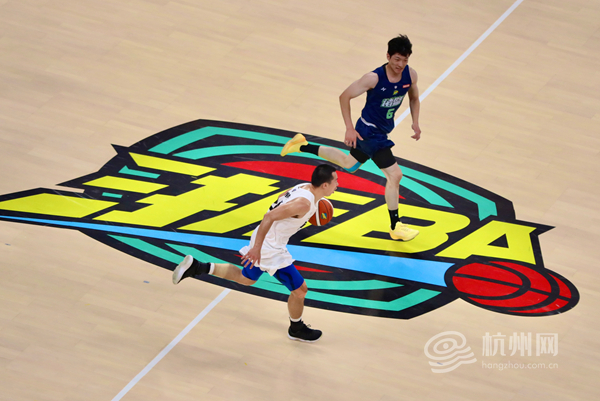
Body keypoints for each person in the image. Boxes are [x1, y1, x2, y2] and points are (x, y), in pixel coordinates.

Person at [172, 164, 338, 343]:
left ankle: (197, 267)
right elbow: (269, 216)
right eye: (335, 181)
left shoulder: (304, 187)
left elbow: (280, 198)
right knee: (300, 291)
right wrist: (257, 248)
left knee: (246, 278)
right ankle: (296, 329)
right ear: (325, 185)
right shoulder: (303, 204)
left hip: (264, 238)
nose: (338, 184)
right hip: (269, 248)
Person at [281, 34, 420, 241]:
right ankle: (395, 226)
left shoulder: (410, 75)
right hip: (369, 132)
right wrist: (349, 128)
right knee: (395, 175)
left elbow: (414, 98)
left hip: (381, 131)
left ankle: (302, 145)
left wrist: (415, 122)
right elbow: (344, 96)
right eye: (397, 59)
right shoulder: (373, 78)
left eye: (405, 60)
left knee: (349, 164)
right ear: (388, 56)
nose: (400, 64)